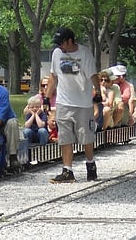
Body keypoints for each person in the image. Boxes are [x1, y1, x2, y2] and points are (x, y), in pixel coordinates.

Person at [44, 27, 102, 183]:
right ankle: (67, 171)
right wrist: (46, 98)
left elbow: (93, 75)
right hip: (64, 102)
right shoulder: (57, 54)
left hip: (83, 103)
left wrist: (97, 91)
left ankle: (90, 165)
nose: (59, 47)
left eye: (61, 43)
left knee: (86, 136)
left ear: (70, 41)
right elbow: (53, 77)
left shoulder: (84, 53)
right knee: (65, 137)